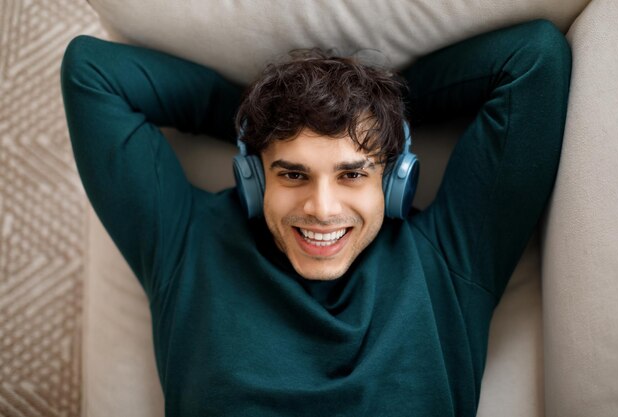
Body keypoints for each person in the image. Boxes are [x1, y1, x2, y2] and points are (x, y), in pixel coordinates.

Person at [60, 19, 571, 417]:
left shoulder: (450, 257)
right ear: (254, 178)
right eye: (292, 174)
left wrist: (372, 110)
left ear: (394, 184)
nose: (322, 209)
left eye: (351, 175)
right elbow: (92, 72)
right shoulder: (188, 244)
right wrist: (263, 121)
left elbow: (534, 60)